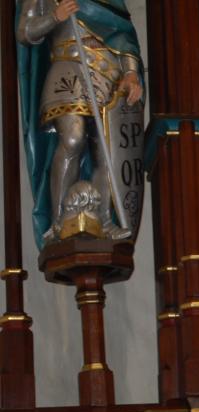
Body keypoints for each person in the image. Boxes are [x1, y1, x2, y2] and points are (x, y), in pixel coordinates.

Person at [17, 0, 144, 248]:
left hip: (108, 72)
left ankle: (103, 222)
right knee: (73, 139)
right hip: (67, 65)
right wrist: (55, 16)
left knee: (106, 151)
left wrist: (130, 72)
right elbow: (25, 32)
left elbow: (123, 32)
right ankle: (59, 223)